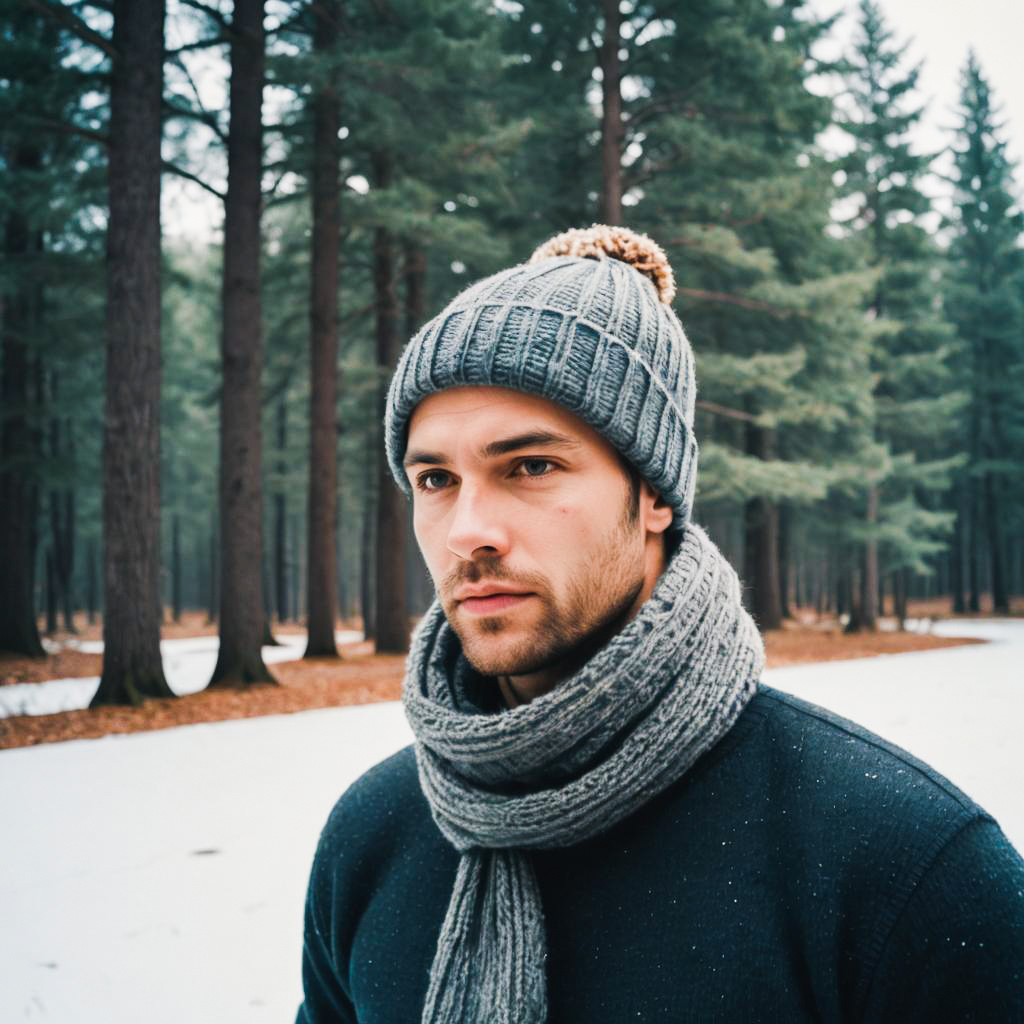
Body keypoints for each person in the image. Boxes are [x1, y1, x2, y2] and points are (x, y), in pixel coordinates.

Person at [296, 226, 1024, 1023]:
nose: (468, 529)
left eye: (530, 466)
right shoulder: (372, 840)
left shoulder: (902, 862)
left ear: (655, 494)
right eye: (435, 478)